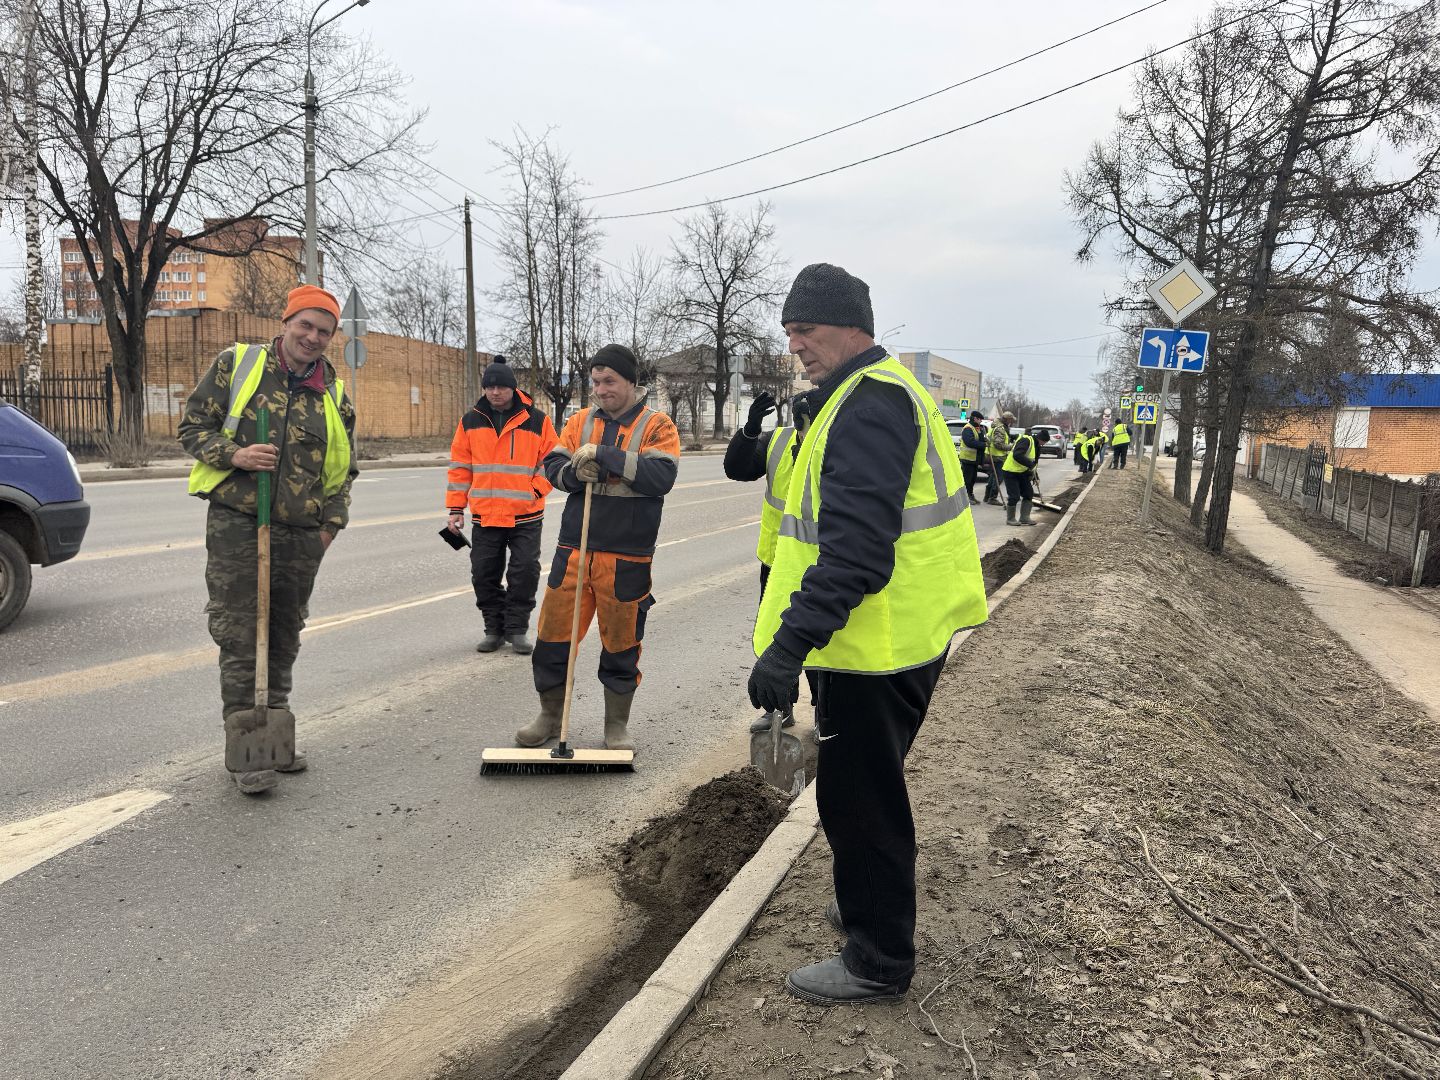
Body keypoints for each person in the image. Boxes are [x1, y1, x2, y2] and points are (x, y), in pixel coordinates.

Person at [748, 263, 987, 1005]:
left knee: (860, 803)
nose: (797, 346)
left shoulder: (869, 405)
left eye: (808, 330)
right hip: (889, 639)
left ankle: (877, 959)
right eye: (788, 332)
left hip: (872, 648)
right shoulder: (867, 393)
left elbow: (855, 551)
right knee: (862, 795)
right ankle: (864, 908)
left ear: (853, 326)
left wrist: (789, 647)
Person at [178, 285, 357, 794]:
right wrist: (233, 455)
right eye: (305, 325)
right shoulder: (239, 367)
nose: (313, 337)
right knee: (240, 633)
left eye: (323, 331)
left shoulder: (334, 394)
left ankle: (275, 734)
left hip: (303, 533)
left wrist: (329, 529)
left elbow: (345, 473)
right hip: (239, 523)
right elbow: (191, 427)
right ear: (286, 322)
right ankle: (246, 749)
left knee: (282, 633)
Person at [519, 344, 681, 753]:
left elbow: (659, 476)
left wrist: (605, 457)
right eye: (596, 382)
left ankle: (616, 724)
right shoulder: (578, 423)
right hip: (574, 550)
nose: (601, 389)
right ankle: (549, 716)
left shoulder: (657, 425)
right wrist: (573, 471)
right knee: (552, 639)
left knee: (621, 644)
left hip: (626, 558)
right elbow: (552, 465)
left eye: (610, 381)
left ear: (631, 381)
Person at [446, 356, 559, 655]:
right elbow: (459, 469)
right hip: (485, 515)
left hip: (526, 515)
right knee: (483, 573)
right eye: (489, 387)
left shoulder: (537, 420)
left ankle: (517, 629)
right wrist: (456, 509)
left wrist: (532, 490)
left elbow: (553, 461)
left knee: (524, 573)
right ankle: (493, 628)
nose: (495, 392)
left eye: (501, 387)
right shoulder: (470, 421)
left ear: (513, 388)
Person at [723, 387, 817, 733]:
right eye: (801, 420)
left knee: (823, 639)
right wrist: (749, 430)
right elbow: (736, 468)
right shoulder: (778, 442)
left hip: (822, 564)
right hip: (777, 562)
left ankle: (825, 710)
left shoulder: (835, 442)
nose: (804, 427)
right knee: (774, 638)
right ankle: (779, 708)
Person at [1002, 426, 1050, 525]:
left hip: (1022, 473)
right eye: (1044, 442)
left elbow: (1033, 463)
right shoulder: (1026, 440)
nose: (1044, 444)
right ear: (1041, 439)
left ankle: (1024, 517)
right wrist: (1030, 465)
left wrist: (1035, 475)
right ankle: (1010, 519)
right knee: (1014, 496)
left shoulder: (1037, 447)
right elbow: (1017, 455)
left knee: (1028, 493)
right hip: (1011, 472)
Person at [957, 409, 987, 502]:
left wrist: (984, 438)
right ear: (975, 418)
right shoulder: (968, 428)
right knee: (967, 480)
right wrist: (983, 445)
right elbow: (970, 442)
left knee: (973, 479)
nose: (981, 421)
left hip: (974, 459)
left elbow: (980, 439)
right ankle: (965, 498)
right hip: (967, 459)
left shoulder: (977, 428)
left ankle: (970, 495)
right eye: (979, 419)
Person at [986, 411, 1015, 503]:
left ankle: (987, 496)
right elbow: (998, 444)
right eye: (1011, 420)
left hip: (993, 454)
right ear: (1007, 419)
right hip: (997, 456)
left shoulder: (997, 426)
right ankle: (992, 498)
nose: (1011, 422)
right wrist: (1011, 447)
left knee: (993, 476)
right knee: (999, 477)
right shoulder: (1000, 429)